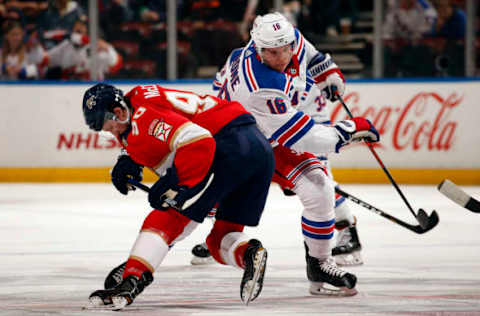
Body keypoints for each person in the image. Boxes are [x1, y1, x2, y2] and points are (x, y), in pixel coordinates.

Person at [208, 12, 378, 296]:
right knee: (210, 208)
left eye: (285, 49)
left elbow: (310, 56)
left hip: (270, 133)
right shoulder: (260, 85)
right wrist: (350, 130)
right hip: (242, 142)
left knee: (319, 187)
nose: (281, 57)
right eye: (272, 53)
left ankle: (320, 264)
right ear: (258, 48)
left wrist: (329, 74)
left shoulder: (287, 39)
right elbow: (303, 136)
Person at [82, 83, 274, 309]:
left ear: (119, 112)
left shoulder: (145, 118)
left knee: (168, 217)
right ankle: (249, 253)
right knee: (220, 238)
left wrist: (177, 185)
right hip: (258, 150)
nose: (111, 132)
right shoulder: (138, 102)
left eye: (109, 127)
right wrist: (128, 158)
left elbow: (199, 141)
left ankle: (132, 280)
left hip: (227, 147)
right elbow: (163, 126)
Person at [45, 18, 122, 80]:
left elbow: (115, 63)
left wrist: (108, 48)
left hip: (92, 89)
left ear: (87, 30)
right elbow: (45, 59)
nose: (79, 28)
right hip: (67, 90)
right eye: (77, 26)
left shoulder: (97, 47)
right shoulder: (65, 46)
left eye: (82, 26)